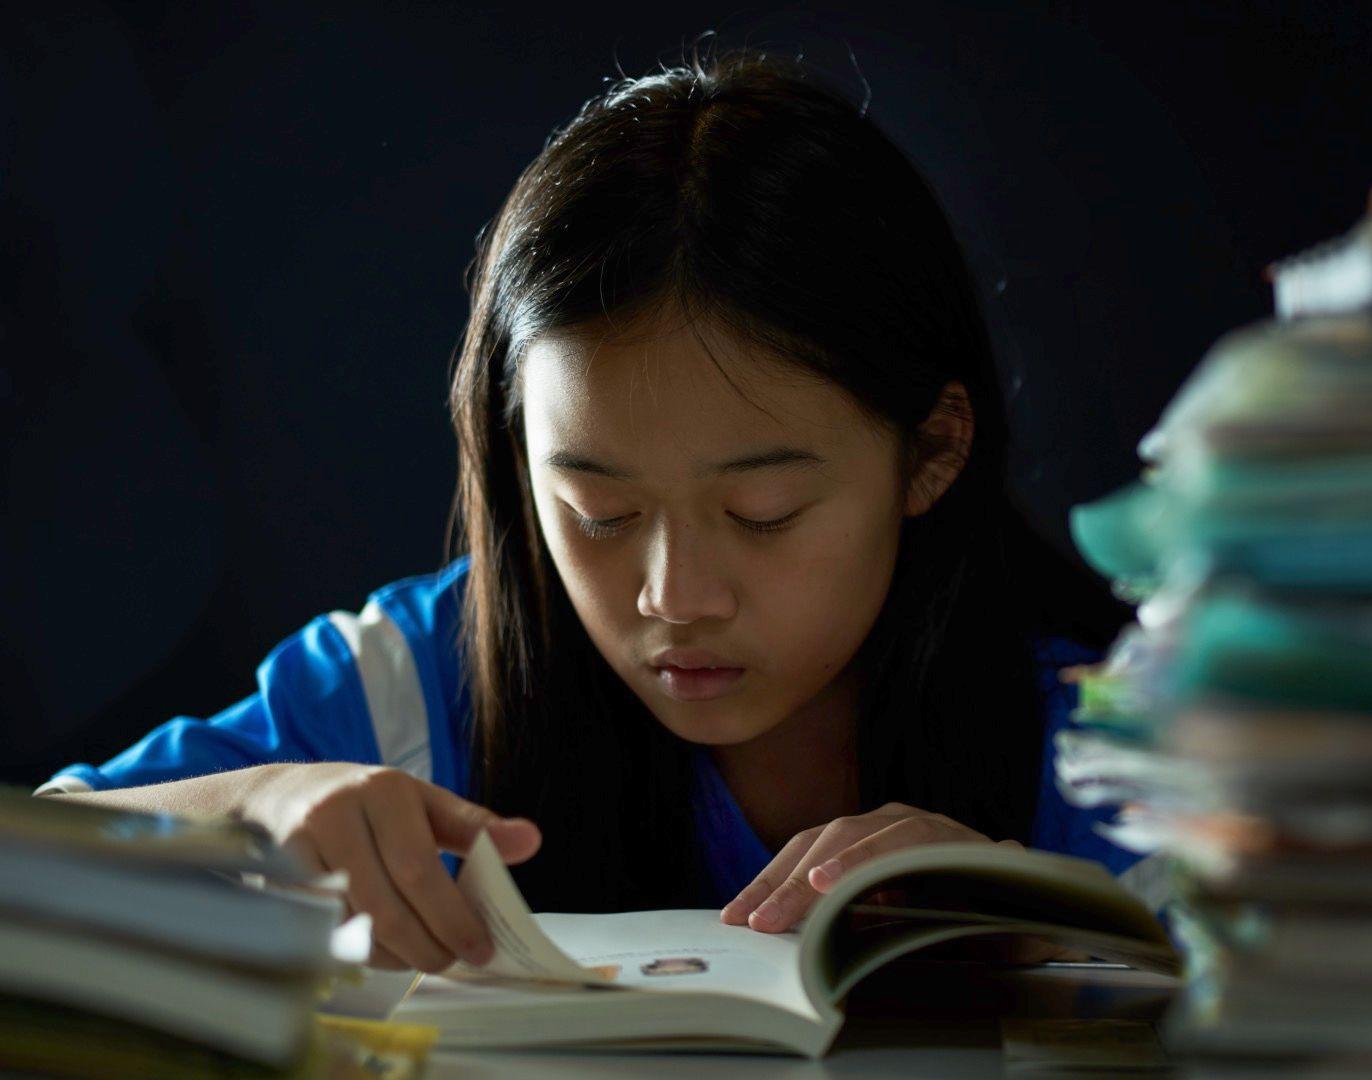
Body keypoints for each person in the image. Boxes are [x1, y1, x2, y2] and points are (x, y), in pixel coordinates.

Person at [38, 50, 1142, 974]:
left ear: (932, 453)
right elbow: (29, 861)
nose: (674, 597)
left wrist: (1069, 942)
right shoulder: (413, 690)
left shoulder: (1127, 745)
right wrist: (257, 806)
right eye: (598, 511)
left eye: (762, 512)